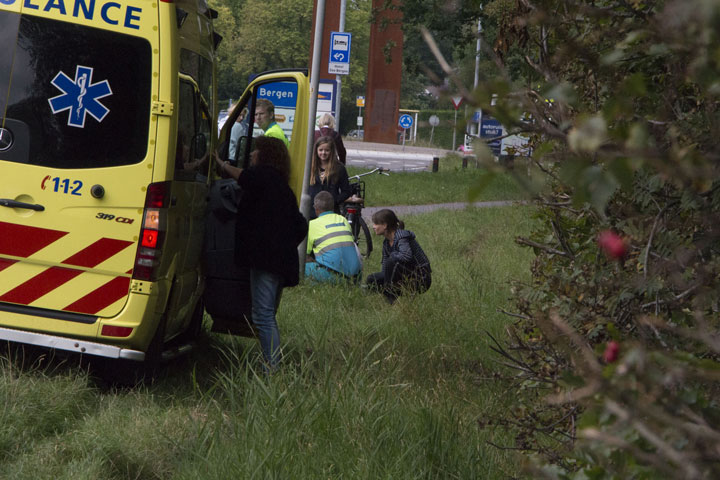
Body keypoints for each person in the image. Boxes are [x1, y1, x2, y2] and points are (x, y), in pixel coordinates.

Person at [215, 136, 307, 369]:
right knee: (267, 314)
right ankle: (272, 363)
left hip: (267, 260)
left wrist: (221, 164)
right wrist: (283, 243)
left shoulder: (264, 176)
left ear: (265, 156)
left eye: (255, 151)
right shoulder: (281, 186)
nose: (252, 155)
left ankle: (273, 366)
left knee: (263, 316)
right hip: (280, 260)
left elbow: (245, 177)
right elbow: (300, 225)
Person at [365, 209, 431, 304]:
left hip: (421, 278)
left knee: (392, 261)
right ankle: (377, 300)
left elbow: (406, 256)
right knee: (372, 279)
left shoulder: (401, 237)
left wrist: (391, 258)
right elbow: (385, 267)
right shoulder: (386, 243)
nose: (373, 227)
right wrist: (383, 279)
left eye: (376, 224)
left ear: (385, 225)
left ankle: (390, 300)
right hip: (405, 275)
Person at [305, 191, 362, 283]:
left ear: (316, 209)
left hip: (334, 276)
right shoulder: (343, 220)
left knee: (299, 266)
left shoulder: (312, 224)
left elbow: (304, 256)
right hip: (355, 276)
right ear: (332, 207)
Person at [307, 135, 351, 219]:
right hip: (311, 212)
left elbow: (346, 191)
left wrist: (334, 200)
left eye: (327, 150)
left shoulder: (339, 168)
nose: (323, 153)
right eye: (321, 150)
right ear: (316, 150)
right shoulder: (309, 166)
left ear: (331, 151)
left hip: (331, 212)